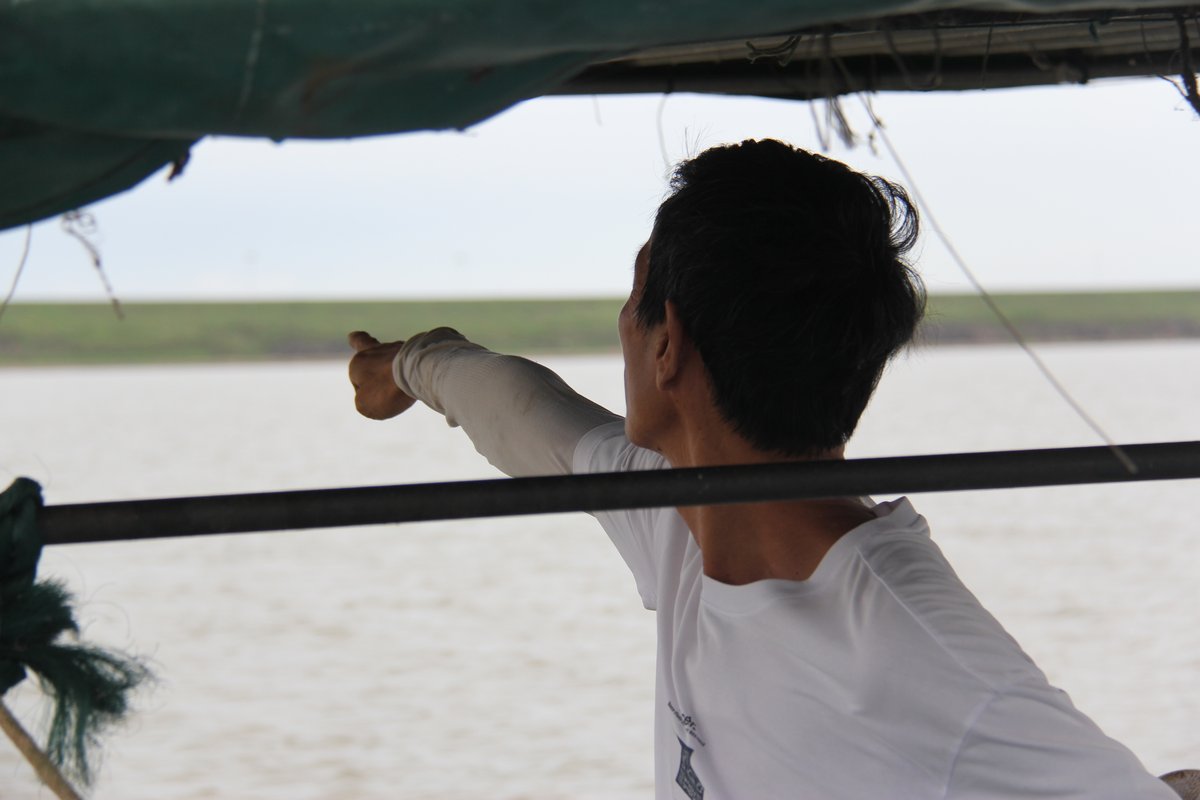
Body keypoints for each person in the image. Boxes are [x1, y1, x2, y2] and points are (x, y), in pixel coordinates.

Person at [347, 139, 1177, 799]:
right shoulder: (680, 510)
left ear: (667, 343)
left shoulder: (911, 652)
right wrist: (411, 365)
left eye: (634, 305)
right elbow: (532, 422)